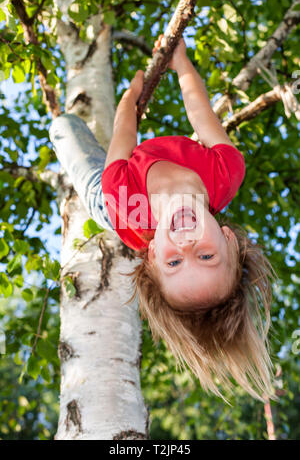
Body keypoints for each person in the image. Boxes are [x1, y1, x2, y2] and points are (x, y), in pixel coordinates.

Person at [49, 34, 277, 402]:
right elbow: (200, 109)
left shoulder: (120, 197)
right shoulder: (225, 171)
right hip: (156, 172)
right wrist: (179, 60)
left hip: (116, 205)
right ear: (228, 240)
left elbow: (125, 128)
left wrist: (132, 94)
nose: (186, 245)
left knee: (63, 129)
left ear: (153, 254)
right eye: (206, 256)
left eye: (174, 262)